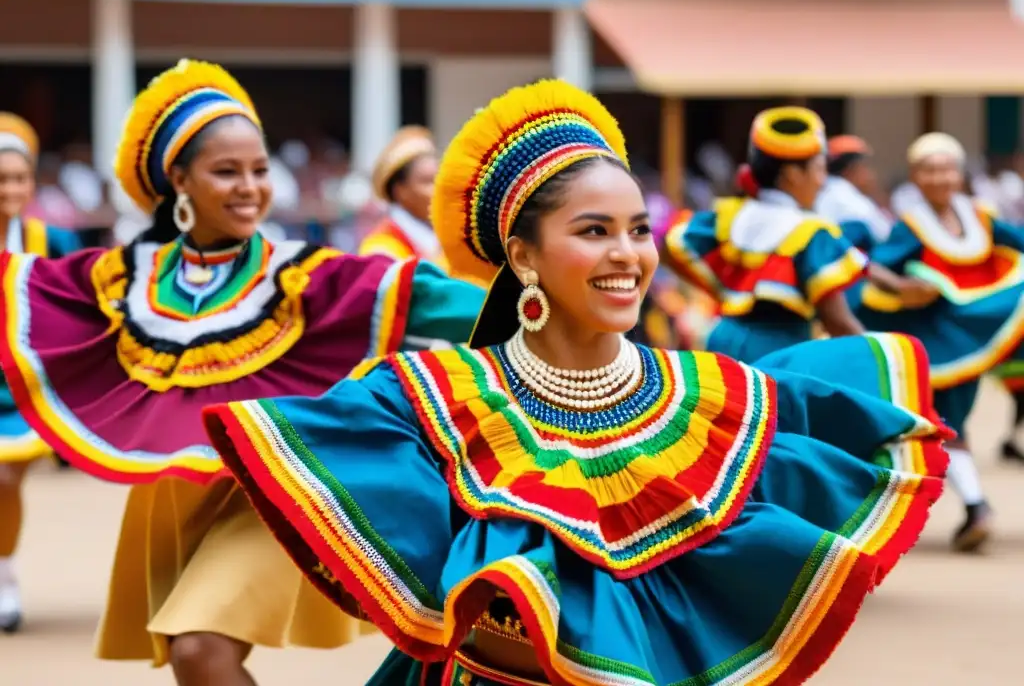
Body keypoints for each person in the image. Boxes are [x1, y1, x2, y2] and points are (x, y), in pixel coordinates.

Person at [204, 80, 950, 686]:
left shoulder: (708, 399)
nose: (627, 254)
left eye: (637, 229)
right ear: (522, 255)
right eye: (594, 231)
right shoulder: (431, 398)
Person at [0, 60, 485, 683]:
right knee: (195, 661)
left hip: (272, 486)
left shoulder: (299, 274)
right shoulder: (125, 279)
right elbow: (27, 293)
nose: (250, 187)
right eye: (226, 171)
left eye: (259, 171)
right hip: (176, 492)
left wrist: (550, 297)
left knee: (201, 649)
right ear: (179, 181)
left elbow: (433, 300)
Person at [853, 132, 1024, 551]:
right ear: (916, 176)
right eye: (930, 169)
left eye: (946, 168)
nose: (940, 177)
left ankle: (975, 508)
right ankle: (976, 506)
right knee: (951, 422)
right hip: (941, 341)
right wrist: (902, 286)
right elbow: (876, 270)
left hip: (981, 330)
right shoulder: (910, 227)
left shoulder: (980, 218)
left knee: (955, 421)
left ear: (959, 173)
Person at [662, 107, 934, 363]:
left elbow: (670, 247)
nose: (822, 181)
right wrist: (878, 361)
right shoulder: (810, 231)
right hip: (780, 354)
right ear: (792, 175)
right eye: (819, 169)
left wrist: (725, 291)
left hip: (721, 342)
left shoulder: (730, 215)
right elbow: (838, 322)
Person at [0, 113, 82, 633]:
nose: (10, 188)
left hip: (21, 390)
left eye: (18, 178)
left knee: (4, 479)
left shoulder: (50, 241)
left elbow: (82, 308)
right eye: (0, 178)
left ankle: (4, 573)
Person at [358, 126, 444, 263]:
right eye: (428, 182)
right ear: (401, 191)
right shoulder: (381, 249)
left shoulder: (445, 235)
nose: (440, 189)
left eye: (441, 179)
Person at [815, 135, 893, 253]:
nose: (870, 173)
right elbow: (885, 234)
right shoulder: (849, 198)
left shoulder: (821, 190)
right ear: (852, 168)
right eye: (865, 166)